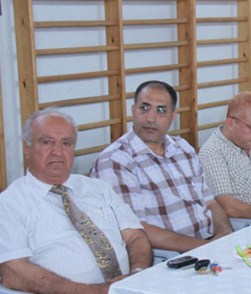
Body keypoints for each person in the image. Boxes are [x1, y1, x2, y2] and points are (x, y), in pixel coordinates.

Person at [0, 109, 153, 294]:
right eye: (46, 142)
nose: (57, 152)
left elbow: (135, 236)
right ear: (27, 148)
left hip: (119, 293)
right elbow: (15, 275)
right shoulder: (10, 205)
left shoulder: (97, 188)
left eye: (66, 143)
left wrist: (137, 274)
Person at [91, 81, 232, 253]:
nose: (151, 118)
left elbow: (210, 203)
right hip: (172, 257)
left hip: (210, 245)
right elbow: (136, 230)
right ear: (133, 110)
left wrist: (226, 235)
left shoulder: (183, 149)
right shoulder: (116, 161)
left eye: (161, 110)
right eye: (144, 108)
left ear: (172, 117)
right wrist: (208, 249)